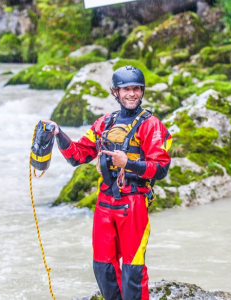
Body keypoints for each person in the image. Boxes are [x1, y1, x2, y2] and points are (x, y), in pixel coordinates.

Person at [44, 65, 172, 300]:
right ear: (115, 92)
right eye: (125, 89)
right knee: (102, 268)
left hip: (134, 203)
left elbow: (161, 168)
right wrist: (58, 134)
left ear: (142, 91)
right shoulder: (104, 123)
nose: (131, 94)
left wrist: (128, 163)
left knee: (132, 270)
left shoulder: (152, 125)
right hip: (105, 202)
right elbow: (77, 155)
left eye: (136, 89)